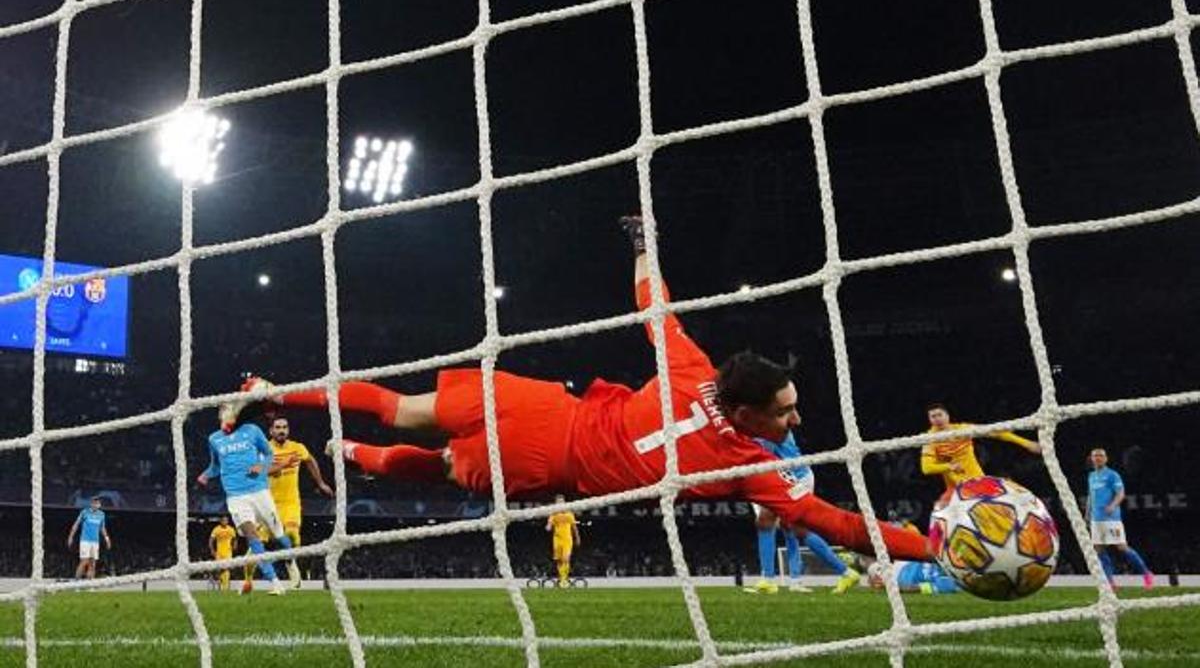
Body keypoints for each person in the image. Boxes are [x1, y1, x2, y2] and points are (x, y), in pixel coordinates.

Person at [241, 216, 931, 563]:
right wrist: (930, 547)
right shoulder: (753, 466)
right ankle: (358, 454)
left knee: (404, 407)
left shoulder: (697, 371)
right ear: (749, 409)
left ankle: (279, 390)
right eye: (785, 410)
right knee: (447, 463)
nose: (795, 418)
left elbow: (653, 306)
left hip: (543, 406)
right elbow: (836, 524)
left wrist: (641, 244)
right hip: (549, 462)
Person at [196, 403, 300, 596]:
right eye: (225, 419)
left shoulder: (252, 431)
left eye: (232, 418)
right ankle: (276, 583)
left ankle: (290, 560)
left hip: (259, 491)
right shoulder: (214, 439)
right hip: (236, 497)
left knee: (279, 536)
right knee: (253, 539)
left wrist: (259, 468)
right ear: (221, 418)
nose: (228, 423)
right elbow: (215, 466)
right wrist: (206, 475)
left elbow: (268, 454)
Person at [746, 429, 860, 595]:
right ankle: (787, 580)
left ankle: (844, 572)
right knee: (784, 527)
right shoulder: (758, 419)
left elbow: (761, 453)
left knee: (779, 524)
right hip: (786, 475)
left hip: (797, 477)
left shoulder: (765, 421)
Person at [921, 402, 1042, 503]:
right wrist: (949, 467)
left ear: (947, 415)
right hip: (955, 489)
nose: (937, 419)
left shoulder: (962, 429)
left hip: (979, 481)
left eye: (939, 415)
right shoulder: (930, 439)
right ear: (929, 419)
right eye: (933, 416)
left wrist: (1026, 443)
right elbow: (926, 468)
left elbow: (996, 432)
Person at [265, 416, 333, 587]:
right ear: (271, 431)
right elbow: (255, 471)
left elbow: (310, 461)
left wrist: (321, 483)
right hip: (268, 504)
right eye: (278, 427)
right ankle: (248, 581)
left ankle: (290, 563)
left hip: (290, 502)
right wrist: (278, 467)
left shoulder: (297, 448)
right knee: (260, 542)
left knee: (293, 536)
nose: (282, 430)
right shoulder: (264, 448)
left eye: (285, 427)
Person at [1087, 447, 1153, 589]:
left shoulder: (1112, 475)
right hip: (1096, 519)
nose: (1098, 458)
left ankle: (1146, 573)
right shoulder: (1091, 476)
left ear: (1106, 459)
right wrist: (1087, 514)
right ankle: (1111, 583)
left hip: (1111, 518)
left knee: (1121, 547)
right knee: (1098, 550)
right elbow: (1091, 497)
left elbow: (1121, 493)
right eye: (1095, 456)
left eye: (1101, 455)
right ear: (1091, 459)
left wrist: (1112, 505)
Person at [67, 496, 111, 579]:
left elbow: (102, 528)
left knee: (92, 563)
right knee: (84, 561)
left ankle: (90, 585)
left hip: (95, 541)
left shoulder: (101, 514)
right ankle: (76, 583)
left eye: (97, 503)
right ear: (91, 504)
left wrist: (107, 539)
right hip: (85, 540)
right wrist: (71, 536)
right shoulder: (85, 512)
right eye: (94, 502)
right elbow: (76, 524)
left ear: (99, 505)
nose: (95, 504)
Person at [866, 560, 958, 595]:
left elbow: (919, 588)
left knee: (874, 571)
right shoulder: (948, 559)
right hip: (905, 562)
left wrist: (892, 587)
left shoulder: (950, 584)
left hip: (902, 578)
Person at [546, 495, 581, 586]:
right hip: (557, 539)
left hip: (567, 539)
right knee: (559, 560)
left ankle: (563, 580)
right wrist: (548, 527)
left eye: (562, 502)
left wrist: (577, 538)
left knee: (566, 558)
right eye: (558, 502)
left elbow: (574, 527)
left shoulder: (569, 514)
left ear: (564, 503)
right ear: (556, 503)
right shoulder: (553, 514)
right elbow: (549, 524)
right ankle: (562, 577)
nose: (560, 503)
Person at [209, 515, 238, 591]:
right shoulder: (216, 530)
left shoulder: (231, 529)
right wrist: (212, 550)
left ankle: (225, 586)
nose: (225, 522)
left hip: (228, 552)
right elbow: (211, 540)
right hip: (219, 552)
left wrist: (235, 545)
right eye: (224, 520)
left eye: (226, 520)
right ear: (221, 521)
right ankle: (220, 583)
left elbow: (235, 538)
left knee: (227, 568)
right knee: (220, 569)